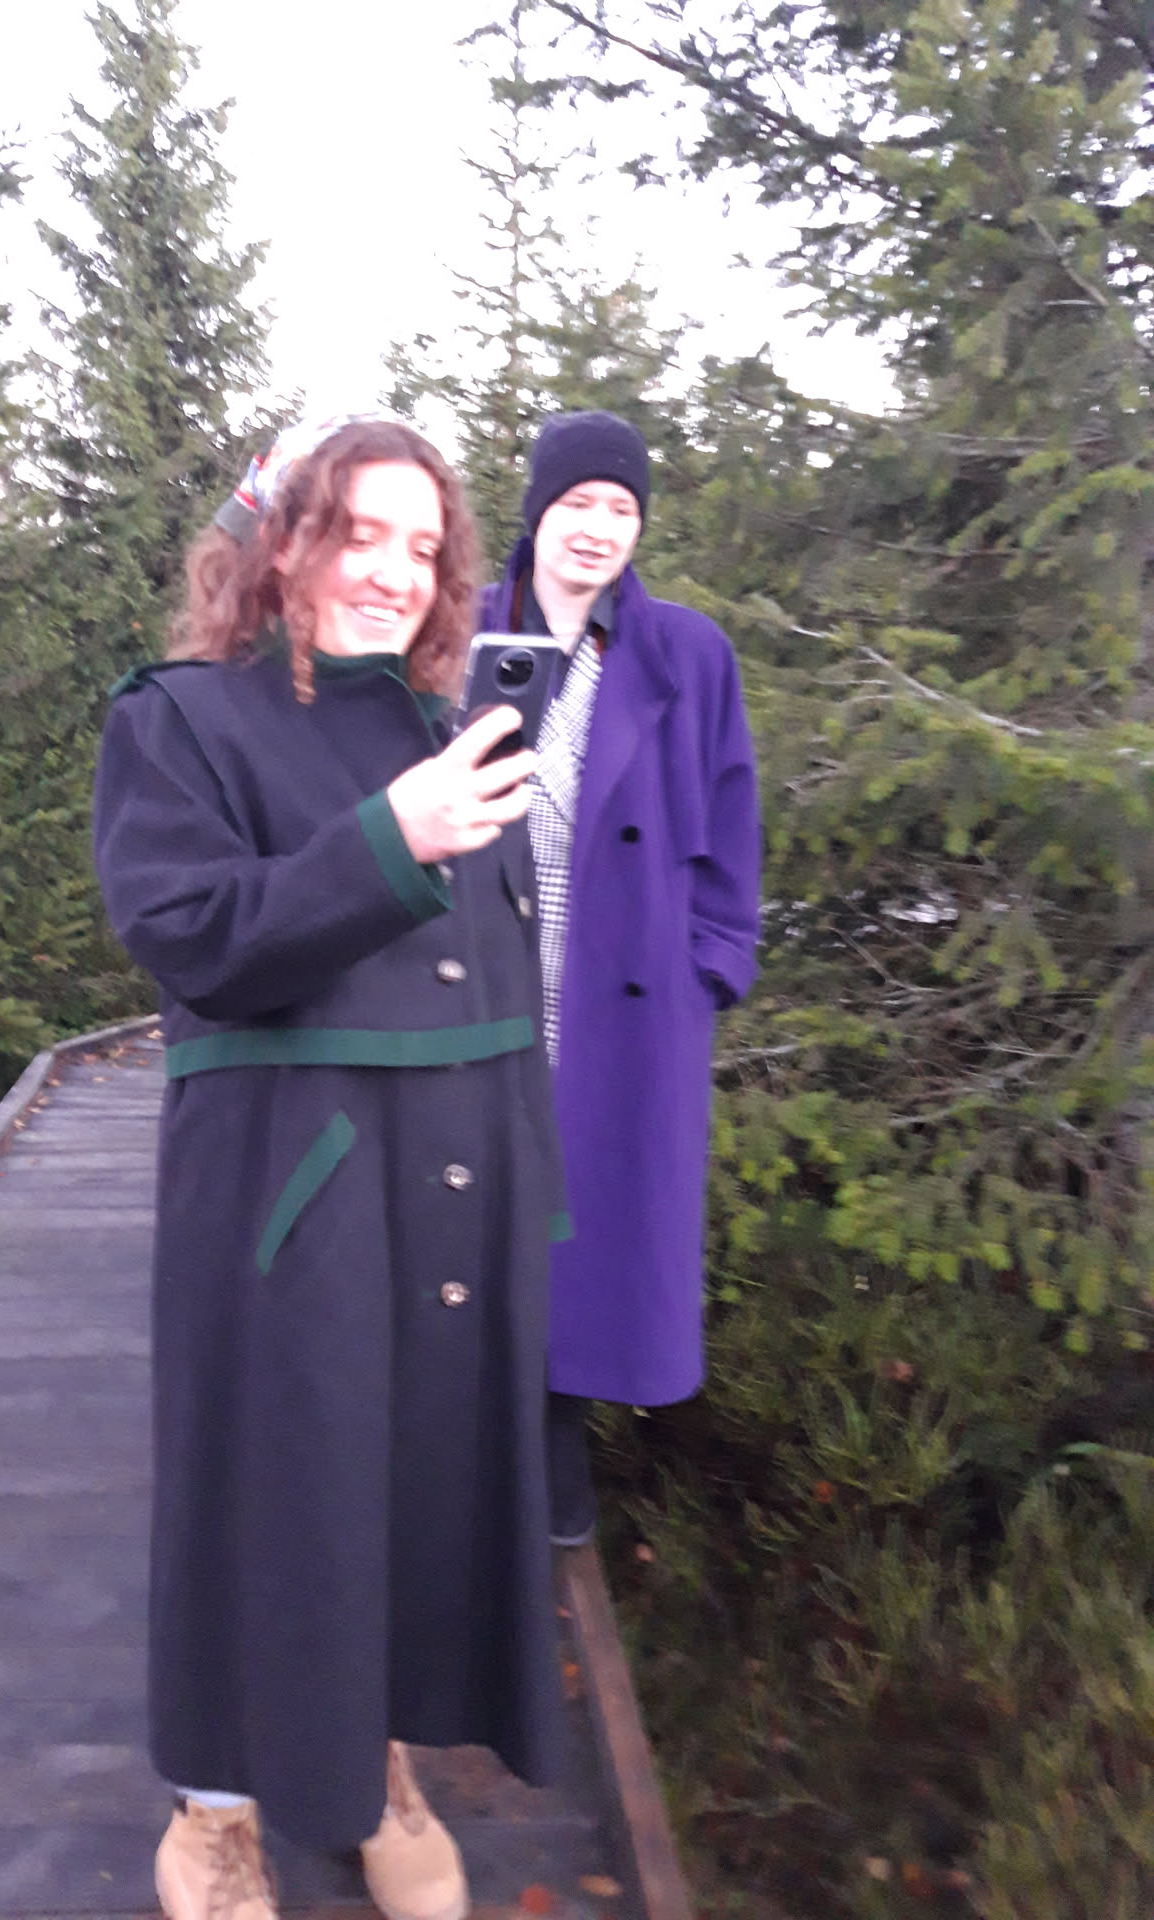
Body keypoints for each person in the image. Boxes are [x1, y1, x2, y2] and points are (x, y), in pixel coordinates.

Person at [93, 419, 567, 1920]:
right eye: (359, 533)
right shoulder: (181, 719)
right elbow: (194, 939)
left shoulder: (449, 730)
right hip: (287, 1192)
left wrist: (533, 1175)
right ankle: (215, 1813)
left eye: (422, 548)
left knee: (408, 1490)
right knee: (266, 1496)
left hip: (456, 1186)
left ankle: (370, 1767)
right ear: (281, 545)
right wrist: (389, 839)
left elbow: (503, 969)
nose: (393, 572)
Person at [480, 409, 762, 1545]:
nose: (598, 527)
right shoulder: (461, 632)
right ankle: (469, 1452)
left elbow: (732, 815)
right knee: (476, 1205)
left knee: (583, 1224)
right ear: (536, 511)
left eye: (621, 509)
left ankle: (556, 1460)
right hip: (487, 970)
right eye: (577, 503)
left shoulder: (685, 653)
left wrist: (713, 963)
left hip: (625, 990)